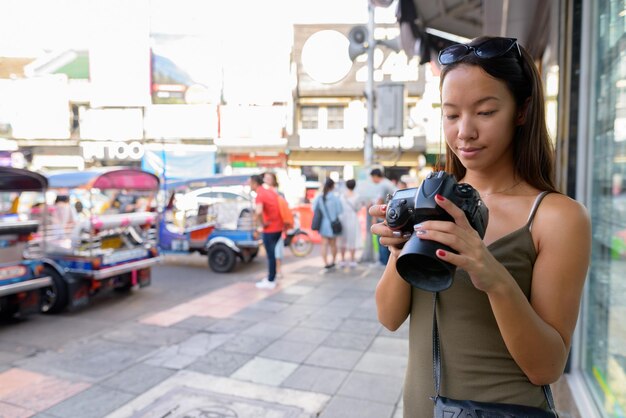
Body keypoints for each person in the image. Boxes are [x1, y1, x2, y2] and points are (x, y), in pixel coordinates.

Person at [370, 36, 591, 416]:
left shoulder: (557, 217)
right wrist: (398, 251)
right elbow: (389, 318)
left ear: (521, 110)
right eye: (451, 114)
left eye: (485, 112)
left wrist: (491, 274)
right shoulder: (432, 199)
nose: (464, 132)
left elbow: (547, 367)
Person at [249, 174, 283, 290]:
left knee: (271, 255)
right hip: (278, 227)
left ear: (254, 183)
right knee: (272, 254)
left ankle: (271, 280)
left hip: (271, 228)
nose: (249, 185)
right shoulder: (268, 191)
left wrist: (261, 224)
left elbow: (258, 211)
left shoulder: (260, 194)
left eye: (250, 183)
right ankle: (271, 277)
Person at [312, 178, 343, 269]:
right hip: (334, 224)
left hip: (323, 224)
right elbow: (339, 211)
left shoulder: (319, 197)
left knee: (324, 244)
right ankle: (333, 261)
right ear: (333, 186)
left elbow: (314, 209)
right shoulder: (335, 198)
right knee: (333, 244)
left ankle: (325, 263)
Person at [370, 168, 397, 266]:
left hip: (384, 216)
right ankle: (386, 261)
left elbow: (380, 201)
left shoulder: (382, 184)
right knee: (388, 240)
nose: (372, 180)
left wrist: (374, 217)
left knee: (382, 240)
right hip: (392, 215)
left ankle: (383, 261)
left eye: (372, 177)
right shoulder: (388, 183)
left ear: (375, 176)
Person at [263, 171, 284, 279]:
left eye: (268, 178)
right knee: (273, 252)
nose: (266, 180)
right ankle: (274, 272)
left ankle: (276, 272)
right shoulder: (266, 192)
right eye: (265, 178)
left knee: (276, 251)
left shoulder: (277, 193)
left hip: (275, 227)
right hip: (272, 227)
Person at [338, 179, 362, 268]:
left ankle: (342, 260)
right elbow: (358, 208)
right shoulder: (357, 196)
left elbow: (339, 207)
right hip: (352, 218)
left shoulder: (342, 196)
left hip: (342, 218)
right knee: (352, 239)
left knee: (342, 239)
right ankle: (352, 260)